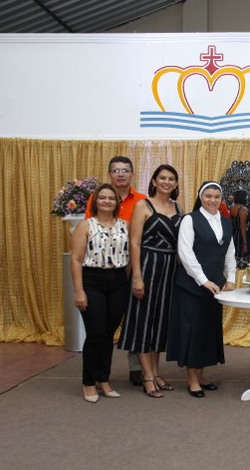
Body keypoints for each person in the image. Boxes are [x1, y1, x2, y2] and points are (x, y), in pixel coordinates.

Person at [167, 181, 236, 398]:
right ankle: (192, 380)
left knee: (206, 332)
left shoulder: (226, 222)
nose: (212, 200)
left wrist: (231, 278)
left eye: (216, 196)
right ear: (200, 197)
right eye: (208, 196)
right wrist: (202, 280)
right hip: (191, 287)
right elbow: (185, 253)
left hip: (215, 288)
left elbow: (229, 253)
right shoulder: (190, 219)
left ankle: (201, 375)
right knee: (192, 333)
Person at [118, 164, 182, 398]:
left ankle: (155, 373)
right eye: (162, 178)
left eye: (171, 179)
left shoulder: (178, 208)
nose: (166, 182)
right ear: (154, 181)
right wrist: (136, 276)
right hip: (147, 266)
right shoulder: (142, 205)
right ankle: (146, 377)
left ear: (176, 184)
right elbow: (134, 243)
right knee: (143, 322)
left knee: (159, 323)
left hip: (169, 269)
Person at [85, 156, 148, 387]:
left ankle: (136, 367)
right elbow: (89, 230)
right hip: (104, 271)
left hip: (136, 266)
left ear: (132, 174)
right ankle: (97, 377)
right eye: (116, 170)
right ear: (110, 174)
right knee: (102, 327)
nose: (120, 174)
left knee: (137, 317)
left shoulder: (142, 200)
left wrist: (137, 273)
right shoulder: (98, 198)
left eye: (125, 170)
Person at [71, 184, 130, 403]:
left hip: (118, 282)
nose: (107, 201)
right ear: (95, 201)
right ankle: (89, 382)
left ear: (117, 202)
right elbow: (76, 259)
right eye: (102, 198)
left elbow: (129, 257)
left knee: (108, 334)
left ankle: (103, 379)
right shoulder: (86, 225)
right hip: (92, 281)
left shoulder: (125, 225)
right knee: (95, 333)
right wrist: (79, 291)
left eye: (111, 198)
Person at [230, 190, 249, 258]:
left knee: (233, 254)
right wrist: (245, 242)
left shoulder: (232, 207)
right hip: (240, 236)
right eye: (246, 196)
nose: (247, 198)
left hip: (233, 233)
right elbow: (243, 227)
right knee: (240, 255)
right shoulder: (243, 209)